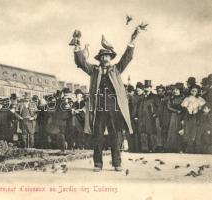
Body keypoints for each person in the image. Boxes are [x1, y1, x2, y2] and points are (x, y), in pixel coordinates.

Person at [72, 27, 140, 172]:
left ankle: (117, 163)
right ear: (100, 59)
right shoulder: (94, 71)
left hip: (114, 109)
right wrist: (77, 45)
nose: (104, 58)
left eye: (107, 56)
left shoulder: (116, 69)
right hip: (98, 109)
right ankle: (98, 164)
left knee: (115, 137)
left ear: (111, 58)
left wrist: (132, 40)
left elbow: (126, 58)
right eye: (102, 57)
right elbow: (81, 63)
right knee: (97, 137)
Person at [181, 84, 206, 153]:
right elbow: (184, 107)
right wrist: (188, 112)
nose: (193, 92)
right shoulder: (187, 98)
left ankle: (192, 149)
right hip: (188, 116)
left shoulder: (200, 99)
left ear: (197, 92)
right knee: (186, 131)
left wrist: (197, 112)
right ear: (190, 91)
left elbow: (201, 108)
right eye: (192, 91)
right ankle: (184, 148)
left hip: (196, 116)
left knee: (194, 132)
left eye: (195, 91)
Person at [136, 80, 158, 152]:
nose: (147, 89)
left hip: (150, 117)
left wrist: (155, 114)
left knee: (151, 132)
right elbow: (138, 107)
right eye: (145, 87)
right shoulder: (142, 97)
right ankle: (145, 148)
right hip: (142, 117)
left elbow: (158, 106)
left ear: (151, 88)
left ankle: (153, 148)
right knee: (143, 132)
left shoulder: (154, 96)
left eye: (148, 87)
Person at [165, 83, 185, 153]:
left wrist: (181, 112)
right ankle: (171, 148)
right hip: (173, 116)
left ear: (180, 90)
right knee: (172, 131)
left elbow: (185, 107)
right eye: (174, 90)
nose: (175, 91)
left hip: (181, 116)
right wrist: (176, 111)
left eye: (177, 90)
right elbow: (168, 107)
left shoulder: (183, 98)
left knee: (179, 130)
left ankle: (180, 148)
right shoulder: (171, 98)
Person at [154, 84, 171, 152]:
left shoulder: (167, 98)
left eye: (161, 91)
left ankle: (165, 146)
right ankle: (159, 146)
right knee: (158, 131)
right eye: (158, 91)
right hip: (157, 117)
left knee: (165, 131)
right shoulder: (155, 99)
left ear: (164, 91)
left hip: (165, 117)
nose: (160, 92)